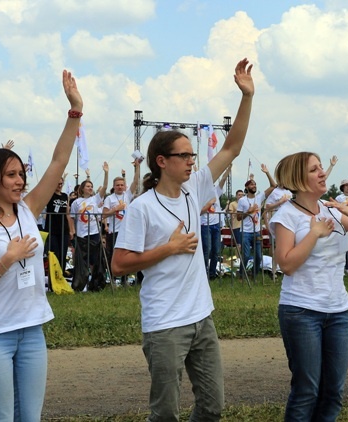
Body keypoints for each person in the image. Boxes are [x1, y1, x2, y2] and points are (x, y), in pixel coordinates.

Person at [110, 58, 254, 421]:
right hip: (164, 324)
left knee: (212, 406)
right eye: (184, 155)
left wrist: (247, 97)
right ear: (161, 161)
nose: (192, 160)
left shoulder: (195, 189)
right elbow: (119, 264)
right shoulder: (142, 208)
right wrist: (167, 249)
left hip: (201, 317)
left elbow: (232, 147)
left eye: (193, 154)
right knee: (166, 413)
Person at [0, 69, 83, 421]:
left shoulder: (28, 210)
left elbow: (58, 161)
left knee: (29, 418)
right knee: (0, 418)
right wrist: (8, 259)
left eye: (21, 174)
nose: (20, 180)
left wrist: (74, 111)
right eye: (11, 175)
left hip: (31, 333)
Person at [270, 152, 348, 421]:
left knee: (333, 392)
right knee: (307, 391)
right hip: (301, 311)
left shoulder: (331, 209)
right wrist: (314, 234)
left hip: (338, 310)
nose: (322, 173)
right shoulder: (287, 215)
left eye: (321, 168)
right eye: (314, 169)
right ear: (298, 178)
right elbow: (286, 264)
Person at [69, 163, 109, 292]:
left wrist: (106, 173)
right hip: (82, 234)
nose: (90, 188)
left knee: (95, 259)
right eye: (88, 186)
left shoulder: (95, 199)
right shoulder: (76, 202)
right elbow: (71, 217)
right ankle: (80, 284)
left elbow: (105, 188)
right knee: (82, 261)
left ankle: (95, 284)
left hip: (94, 233)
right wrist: (73, 230)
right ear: (82, 188)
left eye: (91, 186)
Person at [103, 161, 141, 284]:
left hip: (126, 231)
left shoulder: (127, 195)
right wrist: (115, 210)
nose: (120, 187)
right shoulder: (109, 198)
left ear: (124, 186)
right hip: (114, 230)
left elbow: (135, 182)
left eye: (121, 185)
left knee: (127, 255)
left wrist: (137, 167)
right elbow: (104, 214)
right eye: (117, 185)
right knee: (112, 255)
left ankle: (125, 279)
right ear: (114, 186)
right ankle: (112, 279)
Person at [236, 164, 276, 278]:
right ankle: (242, 274)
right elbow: (238, 217)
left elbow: (273, 185)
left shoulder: (259, 197)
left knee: (258, 256)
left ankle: (253, 274)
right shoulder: (242, 200)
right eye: (252, 184)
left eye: (255, 184)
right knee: (246, 255)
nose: (254, 186)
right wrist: (248, 212)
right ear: (247, 187)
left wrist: (267, 172)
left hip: (257, 231)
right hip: (246, 232)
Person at [201, 165, 230, 280]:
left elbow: (222, 180)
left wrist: (228, 169)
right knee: (206, 250)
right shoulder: (200, 194)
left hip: (216, 225)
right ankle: (204, 273)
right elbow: (199, 211)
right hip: (205, 225)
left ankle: (212, 273)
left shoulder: (215, 191)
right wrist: (208, 205)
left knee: (216, 251)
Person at [44, 175, 72, 276]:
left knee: (63, 254)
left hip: (63, 229)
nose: (59, 185)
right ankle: (53, 278)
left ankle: (61, 276)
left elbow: (67, 213)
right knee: (54, 253)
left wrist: (71, 229)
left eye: (61, 184)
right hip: (52, 229)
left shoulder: (65, 196)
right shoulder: (49, 194)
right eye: (57, 183)